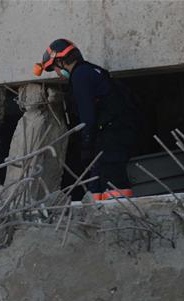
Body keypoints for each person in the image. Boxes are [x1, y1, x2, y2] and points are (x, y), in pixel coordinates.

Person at [33, 39, 138, 201]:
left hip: (111, 136)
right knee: (96, 185)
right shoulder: (90, 70)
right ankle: (98, 218)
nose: (58, 74)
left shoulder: (80, 75)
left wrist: (86, 143)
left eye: (55, 68)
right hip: (113, 134)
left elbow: (87, 114)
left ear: (61, 61)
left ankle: (121, 217)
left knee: (114, 185)